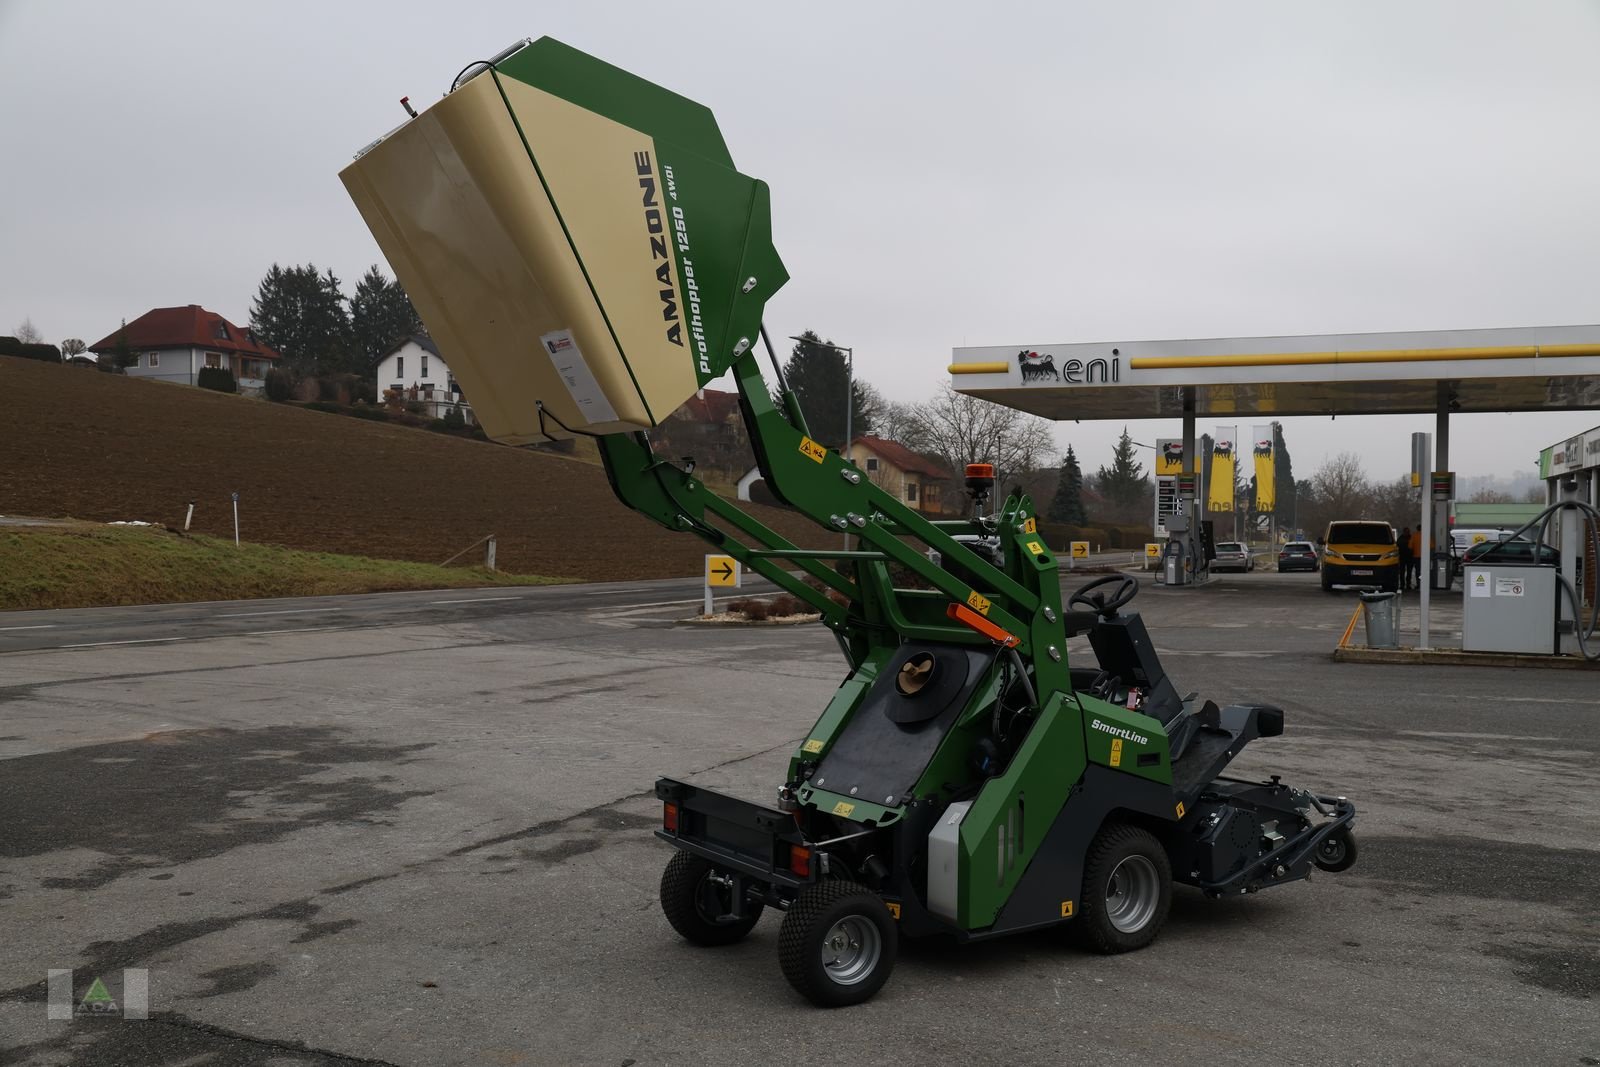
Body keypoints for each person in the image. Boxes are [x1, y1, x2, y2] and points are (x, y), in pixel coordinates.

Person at [1406, 525, 1423, 590]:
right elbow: (1432, 546)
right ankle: (1421, 584)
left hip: (1415, 556)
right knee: (1421, 572)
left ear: (1417, 529)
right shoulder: (1426, 535)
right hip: (1424, 557)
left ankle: (1412, 584)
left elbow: (1410, 546)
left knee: (1415, 571)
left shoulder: (1414, 535)